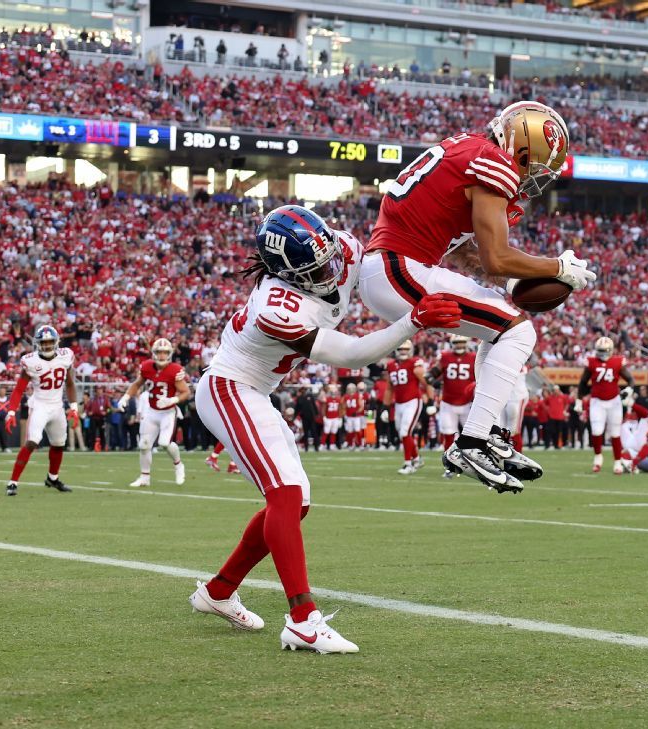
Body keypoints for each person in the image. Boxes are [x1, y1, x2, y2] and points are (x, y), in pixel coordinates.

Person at [187, 204, 463, 653]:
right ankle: (302, 619)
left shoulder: (341, 248)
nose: (334, 271)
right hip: (230, 387)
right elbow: (352, 354)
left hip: (256, 391)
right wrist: (413, 321)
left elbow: (388, 268)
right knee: (285, 495)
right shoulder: (277, 305)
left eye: (332, 257)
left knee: (296, 504)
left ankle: (217, 592)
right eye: (319, 269)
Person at [358, 100, 591, 493]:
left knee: (499, 328)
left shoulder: (468, 148)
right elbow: (496, 256)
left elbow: (465, 252)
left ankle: (490, 434)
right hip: (398, 267)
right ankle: (470, 443)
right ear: (519, 147)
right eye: (534, 166)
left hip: (393, 266)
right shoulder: (493, 161)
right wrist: (557, 267)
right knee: (518, 332)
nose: (534, 179)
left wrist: (510, 284)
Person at [3, 326, 77, 496]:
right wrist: (11, 412)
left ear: (56, 342)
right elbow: (19, 388)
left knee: (58, 444)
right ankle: (13, 482)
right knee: (32, 441)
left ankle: (52, 478)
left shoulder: (66, 357)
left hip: (57, 406)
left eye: (50, 342)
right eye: (44, 343)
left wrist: (74, 407)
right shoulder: (31, 361)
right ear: (37, 344)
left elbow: (70, 383)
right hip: (40, 406)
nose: (47, 346)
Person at [119, 339, 192, 487]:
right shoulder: (147, 367)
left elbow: (186, 392)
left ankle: (178, 465)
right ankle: (144, 478)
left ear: (170, 354)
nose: (162, 355)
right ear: (154, 353)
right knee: (144, 445)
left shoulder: (174, 370)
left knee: (165, 443)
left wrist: (172, 400)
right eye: (159, 352)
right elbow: (137, 384)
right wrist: (125, 397)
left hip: (168, 413)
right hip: (152, 412)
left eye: (165, 352)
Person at [579, 336, 634, 473]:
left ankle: (617, 462)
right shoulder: (591, 362)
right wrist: (579, 399)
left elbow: (630, 379)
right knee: (597, 431)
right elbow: (583, 382)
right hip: (597, 401)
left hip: (614, 401)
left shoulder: (617, 362)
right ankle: (598, 459)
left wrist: (629, 389)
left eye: (604, 350)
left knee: (615, 433)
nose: (602, 353)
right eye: (600, 350)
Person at [385, 342, 432, 474]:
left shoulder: (415, 362)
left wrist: (431, 401)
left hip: (413, 401)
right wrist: (385, 407)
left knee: (405, 432)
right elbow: (389, 388)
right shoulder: (390, 365)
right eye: (400, 349)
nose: (403, 351)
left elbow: (426, 383)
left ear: (411, 350)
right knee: (403, 433)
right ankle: (417, 458)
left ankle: (408, 464)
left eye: (406, 349)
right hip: (399, 403)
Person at [432, 334, 475, 472]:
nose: (459, 345)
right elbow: (434, 372)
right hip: (448, 402)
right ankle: (449, 465)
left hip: (468, 402)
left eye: (462, 342)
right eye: (457, 343)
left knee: (474, 435)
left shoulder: (474, 357)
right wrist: (431, 377)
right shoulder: (445, 356)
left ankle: (475, 464)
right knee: (448, 434)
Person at [342, 383, 367, 450]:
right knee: (350, 431)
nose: (350, 390)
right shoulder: (345, 397)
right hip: (349, 416)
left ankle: (360, 444)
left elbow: (362, 406)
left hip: (356, 417)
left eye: (351, 388)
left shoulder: (357, 396)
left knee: (358, 430)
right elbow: (343, 406)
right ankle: (351, 444)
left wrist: (356, 412)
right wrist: (344, 414)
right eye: (349, 389)